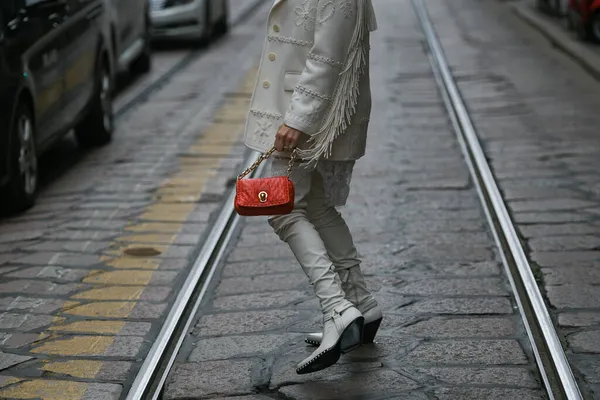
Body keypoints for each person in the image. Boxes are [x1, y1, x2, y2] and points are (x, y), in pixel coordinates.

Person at [243, 0, 381, 374]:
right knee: (316, 206)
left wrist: (298, 119)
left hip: (308, 115)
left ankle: (336, 308)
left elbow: (328, 55)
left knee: (281, 209)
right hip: (308, 110)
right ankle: (361, 304)